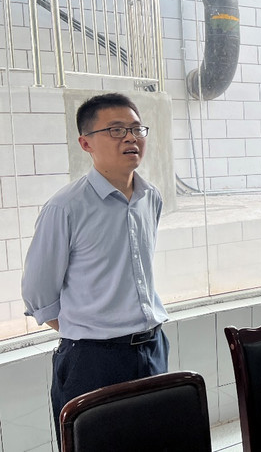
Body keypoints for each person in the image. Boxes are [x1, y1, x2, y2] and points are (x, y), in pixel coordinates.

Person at [21, 93, 169, 445]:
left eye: (136, 129)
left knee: (156, 441)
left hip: (152, 347)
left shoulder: (151, 197)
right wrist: (88, 331)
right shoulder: (65, 207)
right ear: (86, 143)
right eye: (116, 130)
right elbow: (38, 294)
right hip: (93, 360)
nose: (130, 138)